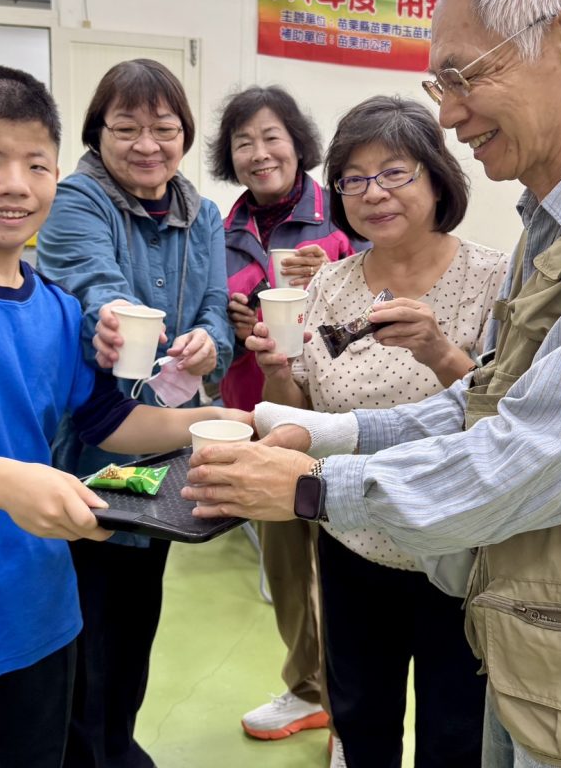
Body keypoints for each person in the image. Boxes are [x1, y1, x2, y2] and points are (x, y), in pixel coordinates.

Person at [183, 0, 561, 768]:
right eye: (439, 86)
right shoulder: (552, 226)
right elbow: (485, 399)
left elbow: (534, 452)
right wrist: (323, 434)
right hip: (526, 638)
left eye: (463, 77)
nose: (451, 115)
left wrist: (314, 487)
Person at [0, 64, 250, 768]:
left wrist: (234, 420)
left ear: (55, 177)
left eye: (35, 165)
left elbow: (108, 421)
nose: (14, 185)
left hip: (43, 616)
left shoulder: (54, 308)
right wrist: (12, 484)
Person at [246, 94, 507, 768]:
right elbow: (302, 409)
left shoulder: (493, 278)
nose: (373, 193)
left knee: (456, 732)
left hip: (456, 547)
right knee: (360, 719)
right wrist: (275, 372)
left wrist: (439, 352)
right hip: (350, 536)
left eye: (394, 172)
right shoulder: (328, 285)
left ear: (436, 179)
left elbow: (506, 413)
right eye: (353, 179)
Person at [37, 58, 234, 768]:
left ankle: (115, 742)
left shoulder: (201, 214)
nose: (147, 145)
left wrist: (210, 342)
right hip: (87, 448)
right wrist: (114, 320)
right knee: (81, 621)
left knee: (135, 616)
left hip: (162, 455)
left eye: (164, 129)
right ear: (98, 132)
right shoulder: (77, 200)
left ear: (185, 135)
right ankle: (87, 751)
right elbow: (96, 284)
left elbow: (216, 308)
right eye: (126, 128)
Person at [208, 85, 358, 742]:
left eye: (272, 137)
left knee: (347, 569)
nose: (259, 153)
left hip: (335, 419)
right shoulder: (222, 231)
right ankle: (307, 690)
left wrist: (339, 270)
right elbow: (206, 328)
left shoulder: (342, 217)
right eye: (243, 142)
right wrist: (231, 324)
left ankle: (355, 713)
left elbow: (384, 301)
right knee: (286, 568)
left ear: (298, 143)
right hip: (257, 414)